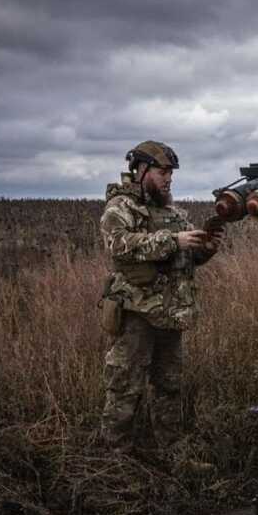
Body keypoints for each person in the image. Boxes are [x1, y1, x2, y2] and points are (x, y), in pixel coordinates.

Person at [99, 140, 222, 454]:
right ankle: (115, 460)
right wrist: (174, 240)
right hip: (136, 314)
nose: (169, 178)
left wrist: (204, 248)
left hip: (170, 313)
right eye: (162, 171)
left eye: (171, 173)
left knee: (169, 386)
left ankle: (171, 451)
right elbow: (120, 245)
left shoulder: (170, 210)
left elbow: (184, 258)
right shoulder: (120, 207)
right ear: (141, 170)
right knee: (125, 386)